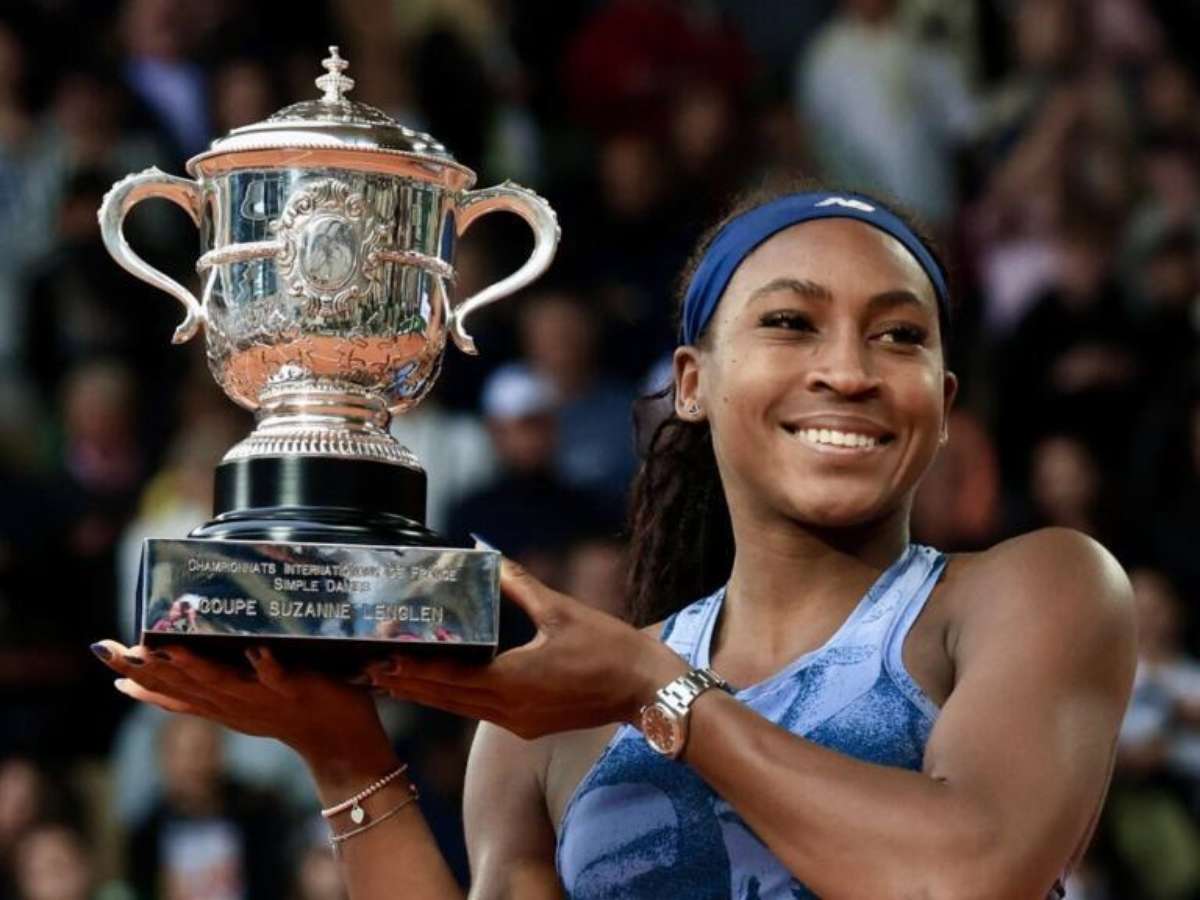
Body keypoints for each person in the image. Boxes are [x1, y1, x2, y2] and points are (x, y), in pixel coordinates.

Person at [92, 185, 1136, 898]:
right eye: (790, 323)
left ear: (943, 406)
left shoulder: (1033, 591)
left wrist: (658, 690)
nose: (850, 371)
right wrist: (343, 757)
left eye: (899, 335)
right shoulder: (548, 724)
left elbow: (968, 874)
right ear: (692, 383)